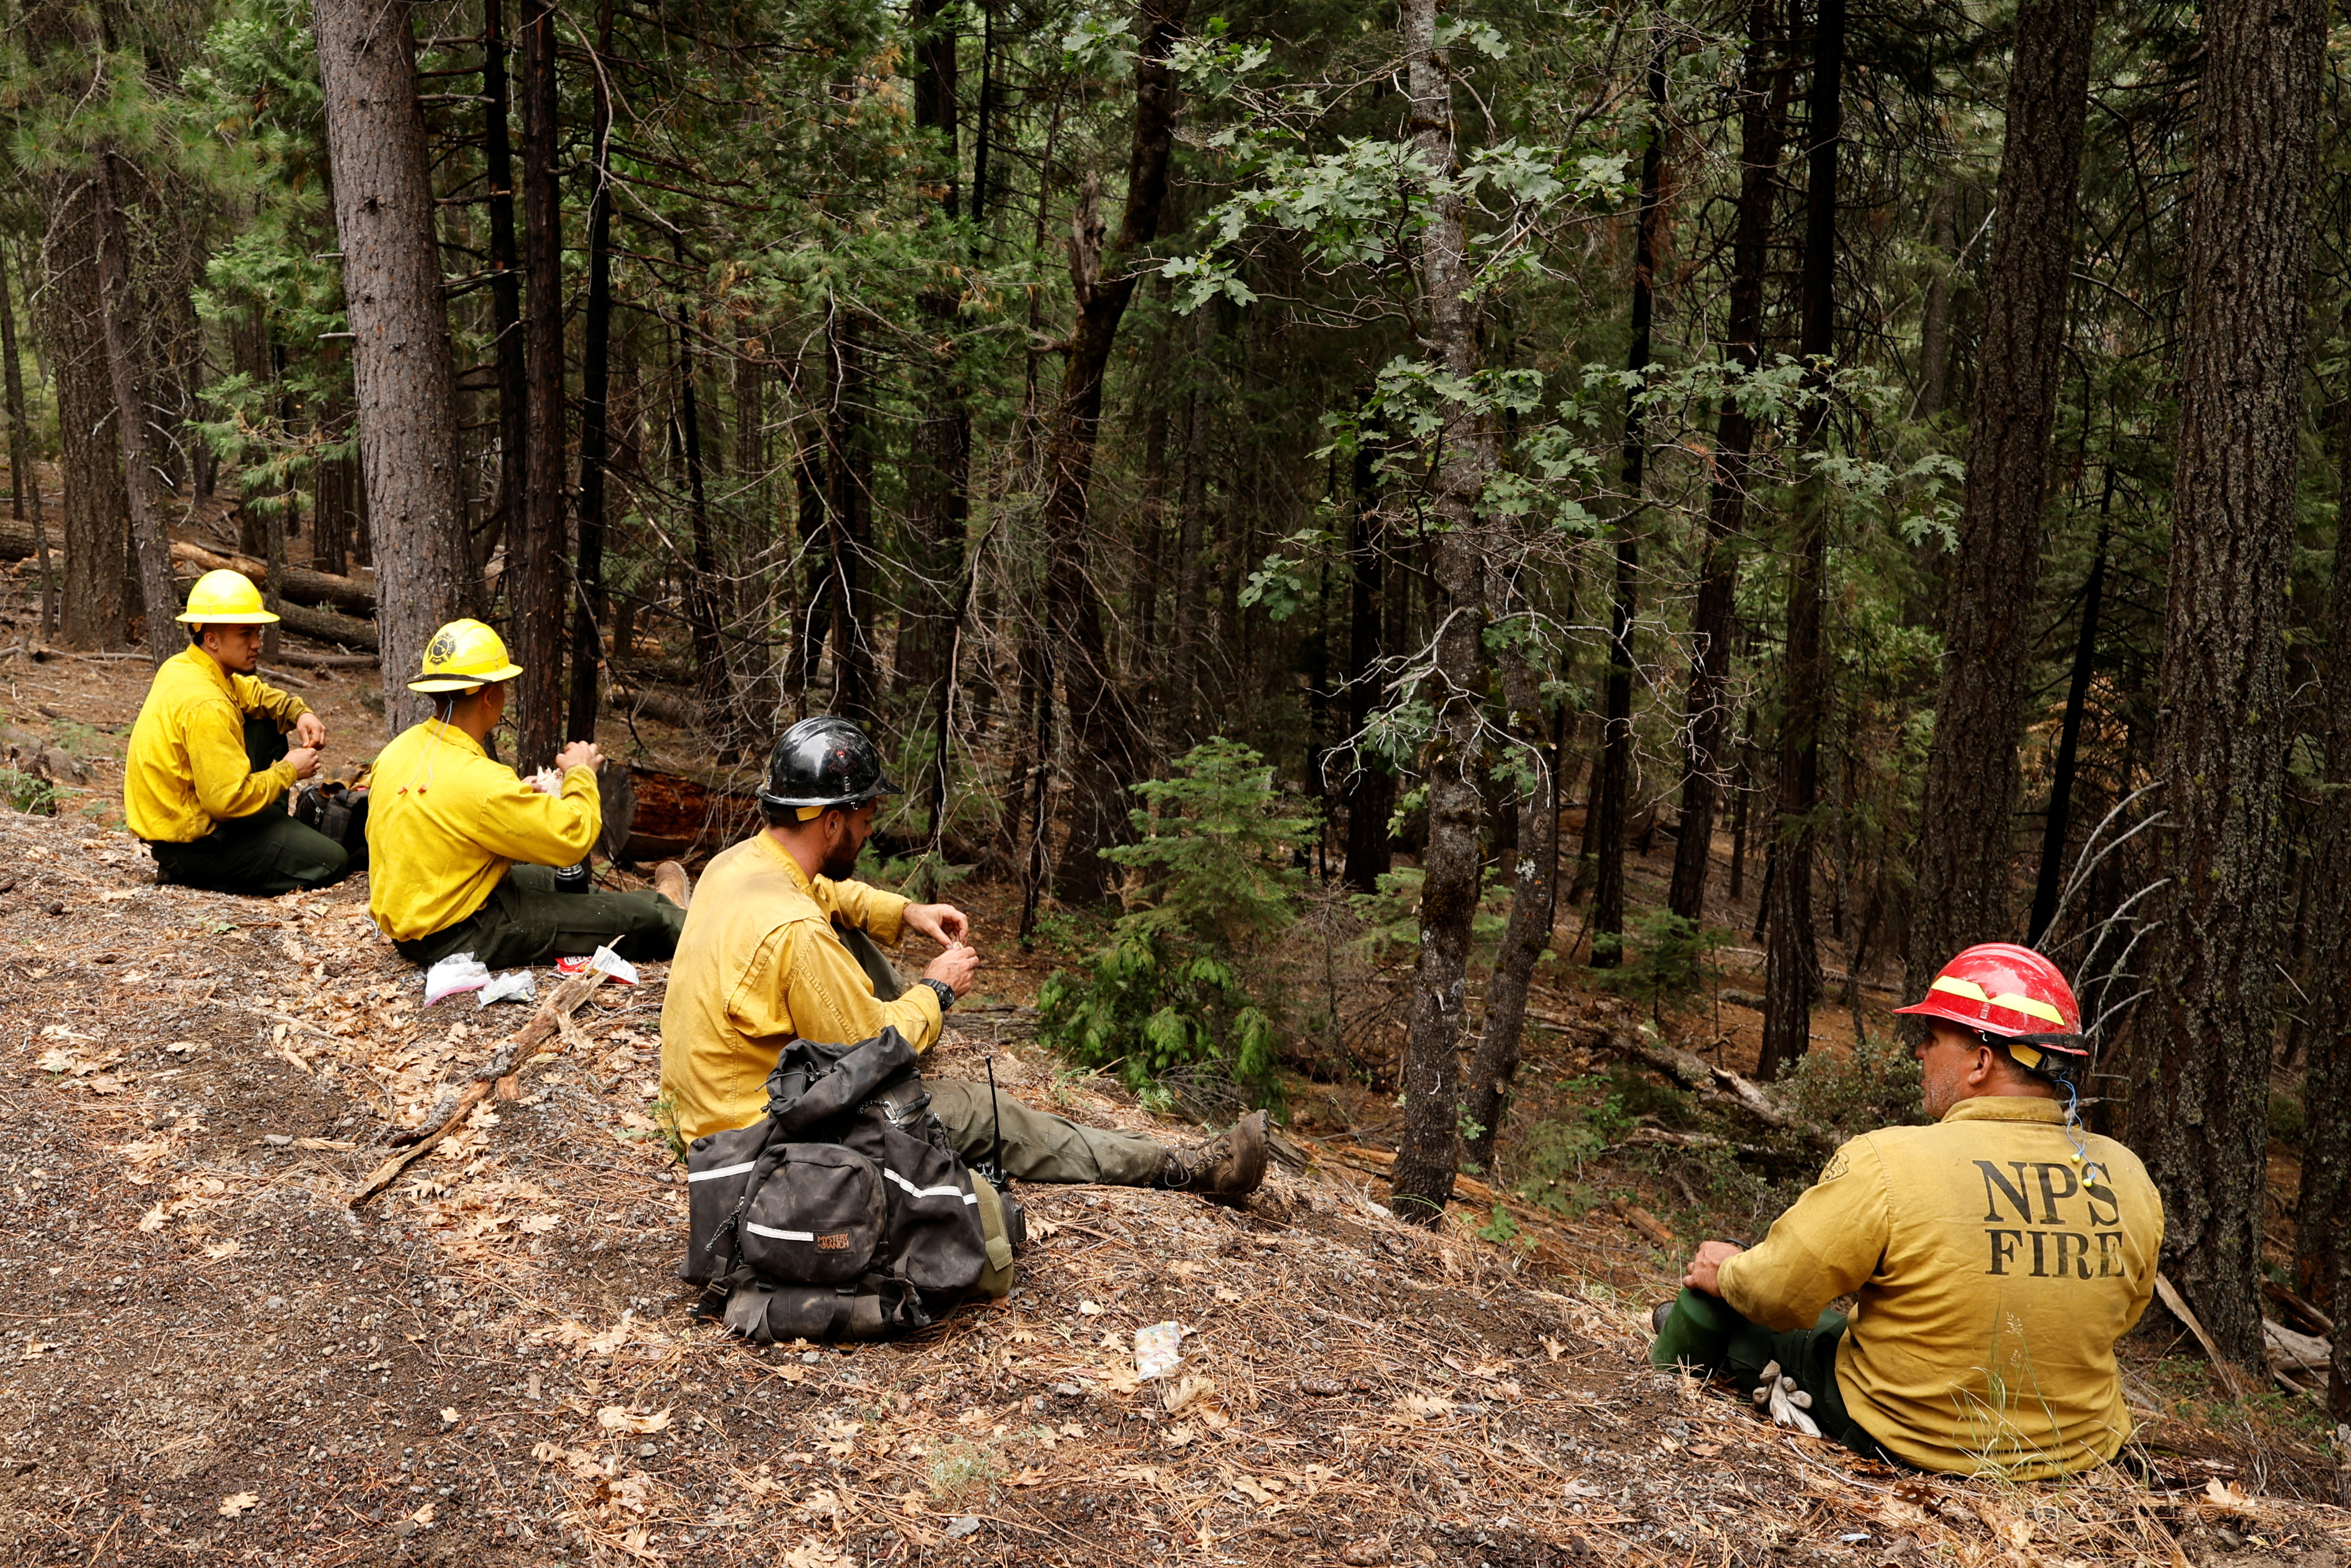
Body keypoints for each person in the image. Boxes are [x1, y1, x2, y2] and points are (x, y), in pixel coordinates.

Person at [660, 715, 1268, 1196]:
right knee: (984, 1110)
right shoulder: (794, 931)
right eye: (866, 819)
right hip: (756, 1143)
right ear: (830, 821)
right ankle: (1184, 1167)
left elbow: (828, 892)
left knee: (852, 934)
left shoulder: (737, 865)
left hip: (714, 1116)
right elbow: (871, 1050)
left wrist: (905, 913)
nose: (871, 831)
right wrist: (936, 991)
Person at [1649, 943, 2163, 1478]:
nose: (1919, 1052)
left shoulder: (1888, 1161)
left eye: (1932, 1038)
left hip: (1909, 1438)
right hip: (2075, 1451)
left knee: (1716, 1303)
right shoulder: (2126, 1173)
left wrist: (1724, 1271)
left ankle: (1659, 1379)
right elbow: (2123, 1313)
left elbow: (1775, 1293)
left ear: (1981, 1061)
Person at [366, 618, 688, 968]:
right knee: (644, 920)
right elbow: (572, 839)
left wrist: (514, 796)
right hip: (461, 935)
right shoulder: (480, 782)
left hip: (423, 923)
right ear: (489, 695)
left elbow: (439, 815)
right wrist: (580, 772)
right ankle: (671, 917)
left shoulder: (397, 752)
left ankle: (657, 904)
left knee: (555, 882)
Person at [126, 570, 352, 895]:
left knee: (267, 719)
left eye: (257, 632)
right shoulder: (207, 704)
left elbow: (254, 694)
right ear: (212, 639)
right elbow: (225, 801)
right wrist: (289, 770)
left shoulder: (187, 666)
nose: (257, 644)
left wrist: (299, 712)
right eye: (245, 634)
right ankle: (203, 874)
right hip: (196, 843)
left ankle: (268, 834)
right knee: (333, 862)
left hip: (198, 820)